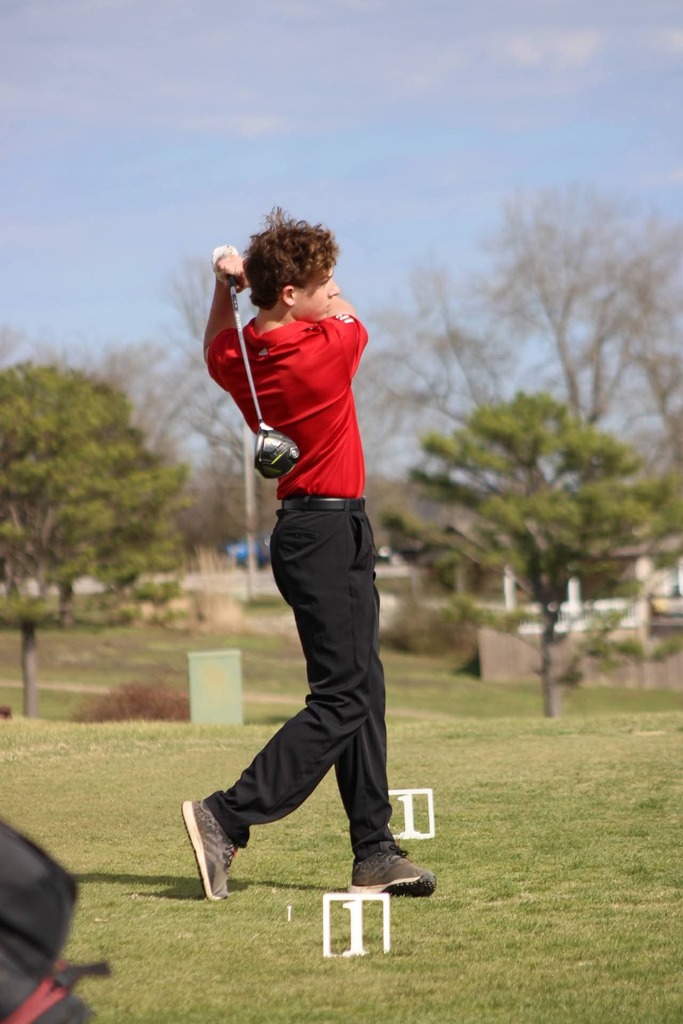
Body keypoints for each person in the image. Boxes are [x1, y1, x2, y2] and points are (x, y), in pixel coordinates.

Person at [181, 208, 436, 901]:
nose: (335, 289)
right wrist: (251, 281)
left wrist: (225, 287)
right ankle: (226, 816)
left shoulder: (244, 360)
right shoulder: (324, 347)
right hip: (325, 535)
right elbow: (353, 315)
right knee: (342, 695)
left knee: (361, 691)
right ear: (290, 295)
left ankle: (374, 852)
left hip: (314, 532)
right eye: (323, 281)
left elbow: (215, 341)